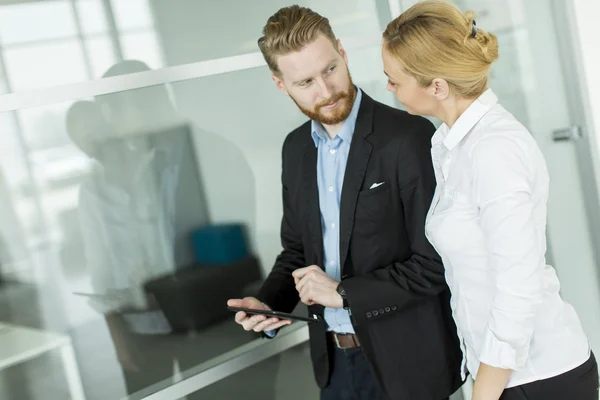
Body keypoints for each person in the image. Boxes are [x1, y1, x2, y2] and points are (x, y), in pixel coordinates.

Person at [228, 5, 463, 400]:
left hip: (408, 368)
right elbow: (298, 251)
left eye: (330, 69)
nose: (326, 90)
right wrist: (267, 303)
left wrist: (343, 293)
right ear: (280, 84)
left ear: (342, 52)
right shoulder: (295, 149)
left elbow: (436, 263)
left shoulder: (408, 138)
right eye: (305, 82)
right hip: (334, 369)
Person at [381, 1, 599, 399]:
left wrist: (485, 393)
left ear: (437, 86)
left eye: (394, 80)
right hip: (500, 376)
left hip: (536, 379)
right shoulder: (447, 144)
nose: (389, 89)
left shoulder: (493, 149)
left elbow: (519, 284)